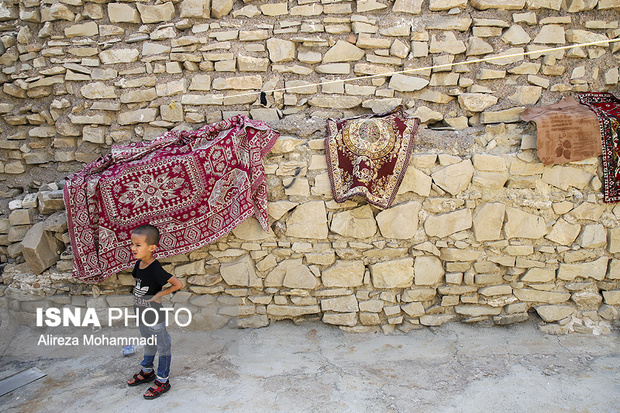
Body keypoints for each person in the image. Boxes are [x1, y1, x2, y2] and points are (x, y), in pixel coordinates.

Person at [126, 224, 183, 399]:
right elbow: (137, 279)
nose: (133, 248)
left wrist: (159, 294)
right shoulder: (139, 264)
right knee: (148, 342)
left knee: (163, 346)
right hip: (141, 313)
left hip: (154, 315)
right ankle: (147, 370)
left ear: (152, 248)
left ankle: (163, 380)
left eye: (138, 245)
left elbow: (177, 284)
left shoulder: (155, 268)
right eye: (132, 244)